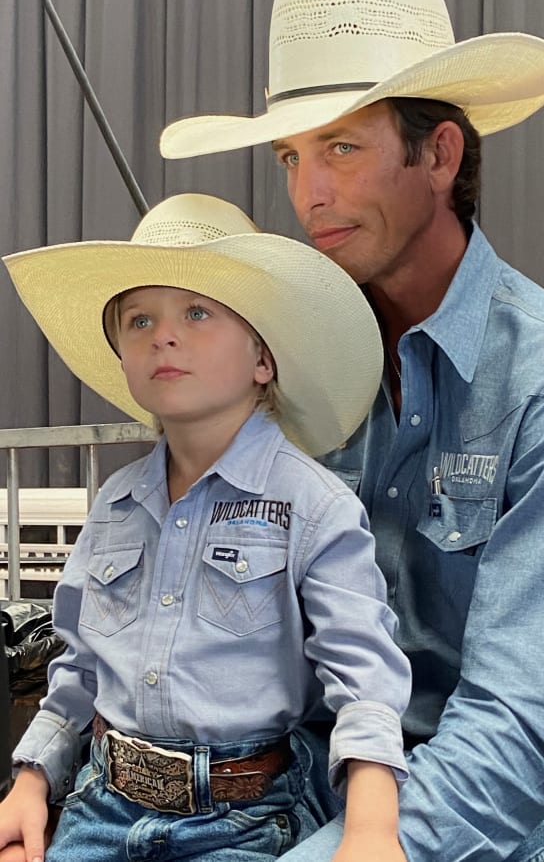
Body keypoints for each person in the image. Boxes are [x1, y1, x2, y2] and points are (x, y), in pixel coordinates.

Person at [159, 0, 544, 862]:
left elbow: (517, 737)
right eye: (292, 155)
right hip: (302, 782)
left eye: (340, 148)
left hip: (489, 818)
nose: (306, 193)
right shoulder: (281, 366)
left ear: (439, 153)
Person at [0, 192, 412, 862]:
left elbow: (363, 676)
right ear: (125, 362)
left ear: (262, 359)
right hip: (100, 807)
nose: (163, 334)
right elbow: (78, 666)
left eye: (197, 312)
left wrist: (370, 829)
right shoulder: (117, 503)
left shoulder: (314, 506)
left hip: (243, 821)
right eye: (138, 319)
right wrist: (29, 782)